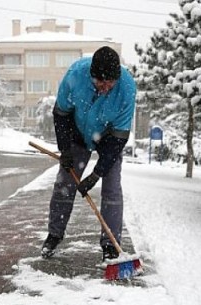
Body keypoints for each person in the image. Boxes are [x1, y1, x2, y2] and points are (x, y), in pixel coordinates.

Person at [41, 46, 137, 261]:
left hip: (109, 137)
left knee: (111, 188)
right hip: (78, 133)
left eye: (109, 82)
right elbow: (61, 114)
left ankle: (111, 245)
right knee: (65, 183)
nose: (105, 87)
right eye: (99, 82)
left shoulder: (127, 88)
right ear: (91, 75)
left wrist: (96, 174)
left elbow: (120, 137)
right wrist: (65, 149)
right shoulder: (75, 75)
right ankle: (54, 234)